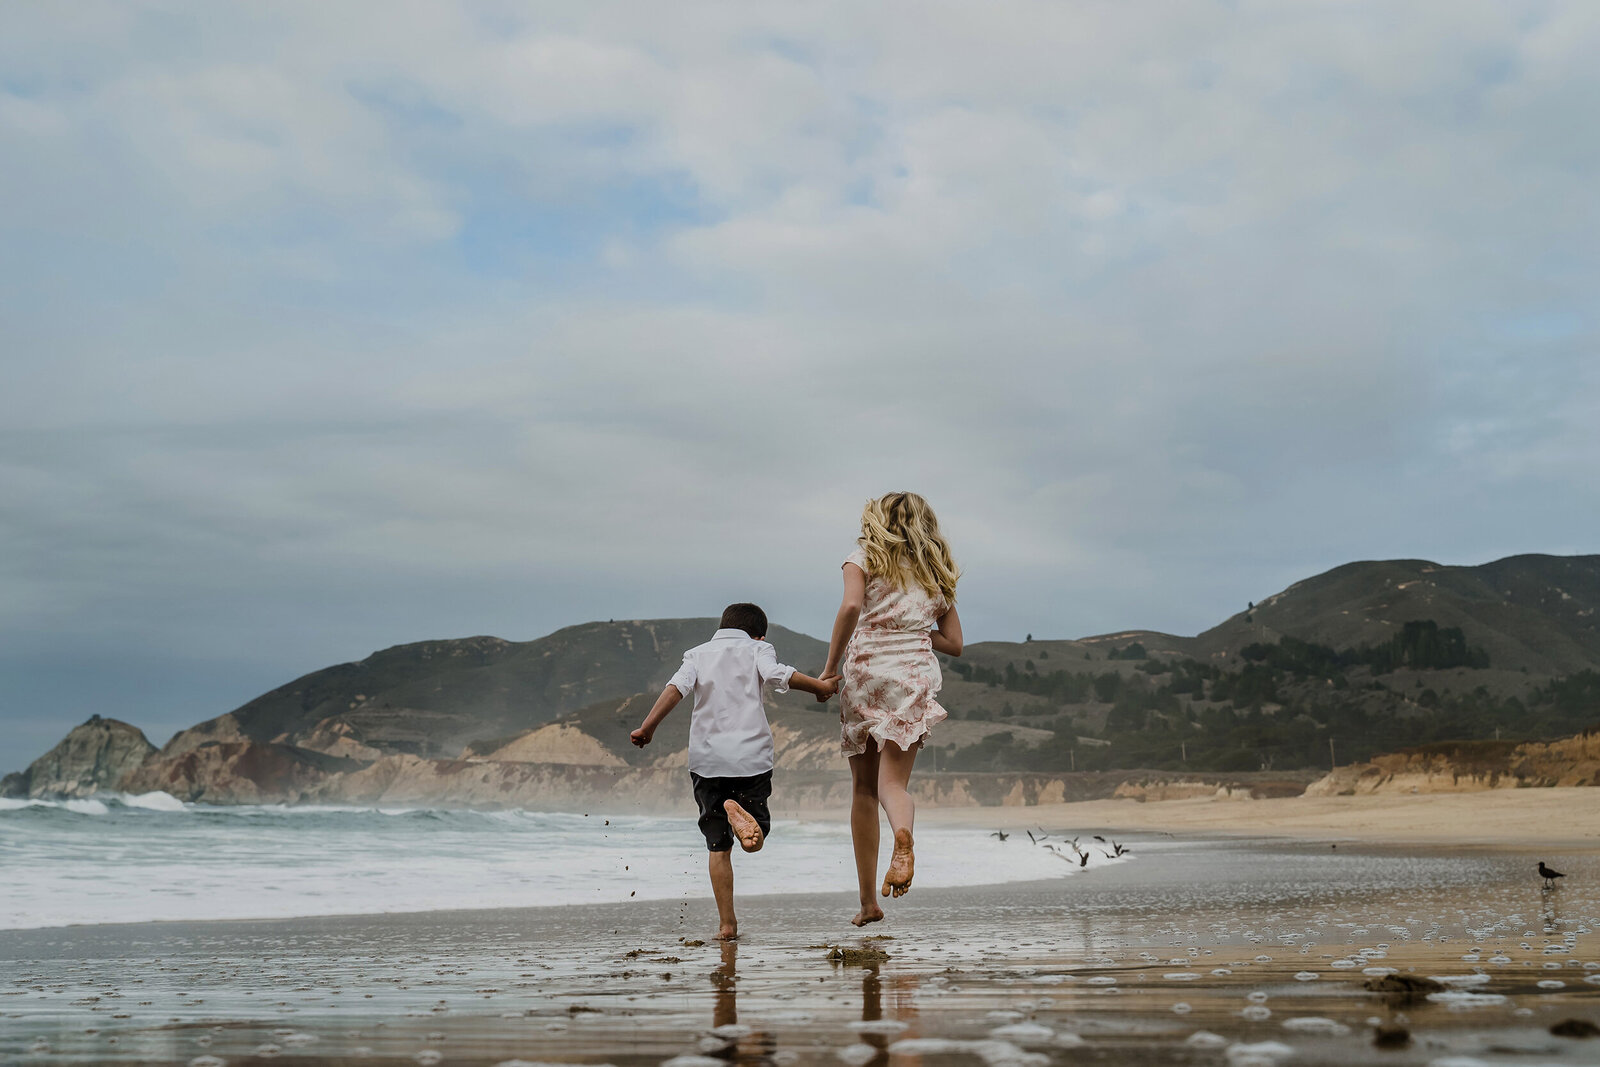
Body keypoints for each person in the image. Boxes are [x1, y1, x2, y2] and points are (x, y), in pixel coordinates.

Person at [631, 603, 837, 940]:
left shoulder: (696, 654)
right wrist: (820, 687)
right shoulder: (758, 648)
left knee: (717, 846)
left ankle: (727, 925)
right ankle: (740, 814)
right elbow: (775, 675)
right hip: (750, 759)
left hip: (707, 761)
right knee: (756, 838)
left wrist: (648, 727)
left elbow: (676, 689)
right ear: (759, 633)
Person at [819, 492, 963, 927]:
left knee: (863, 791)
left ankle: (868, 903)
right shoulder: (935, 572)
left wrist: (829, 671)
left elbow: (850, 606)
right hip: (914, 677)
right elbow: (955, 644)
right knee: (893, 785)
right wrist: (914, 629)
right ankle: (905, 835)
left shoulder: (862, 556)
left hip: (867, 675)